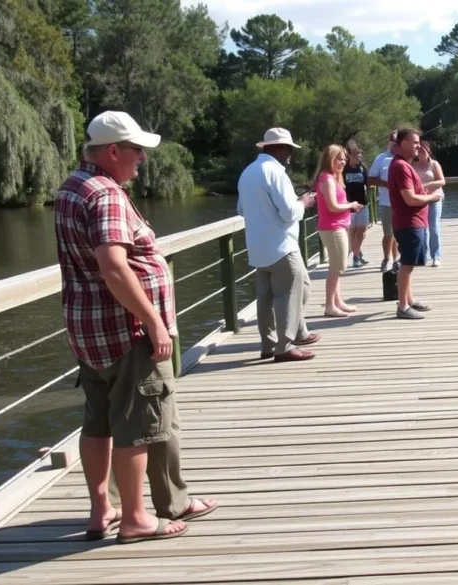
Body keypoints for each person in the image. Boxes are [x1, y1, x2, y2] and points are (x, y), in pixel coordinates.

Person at [54, 111, 217, 545]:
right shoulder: (105, 194)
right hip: (124, 330)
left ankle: (100, 509)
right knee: (138, 426)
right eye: (136, 150)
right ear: (112, 151)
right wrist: (153, 322)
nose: (142, 159)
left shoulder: (71, 187)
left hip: (87, 329)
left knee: (98, 422)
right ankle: (136, 518)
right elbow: (113, 266)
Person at [237, 128, 320, 362]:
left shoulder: (248, 172)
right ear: (280, 149)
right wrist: (303, 201)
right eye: (290, 149)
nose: (291, 154)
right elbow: (289, 212)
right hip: (282, 246)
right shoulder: (275, 172)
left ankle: (270, 344)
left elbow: (241, 209)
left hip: (257, 247)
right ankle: (285, 346)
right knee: (289, 294)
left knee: (266, 298)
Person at [387, 128, 442, 319]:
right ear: (403, 144)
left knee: (409, 263)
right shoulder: (401, 167)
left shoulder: (404, 165)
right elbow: (409, 199)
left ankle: (409, 299)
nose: (419, 146)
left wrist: (425, 195)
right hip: (408, 222)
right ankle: (402, 306)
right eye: (415, 142)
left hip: (413, 221)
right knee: (407, 264)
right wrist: (432, 197)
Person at [312, 144, 363, 316]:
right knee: (337, 266)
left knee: (338, 266)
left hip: (339, 226)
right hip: (333, 228)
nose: (342, 162)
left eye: (344, 159)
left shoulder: (335, 177)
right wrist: (351, 205)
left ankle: (338, 301)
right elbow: (333, 206)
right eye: (338, 159)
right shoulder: (326, 178)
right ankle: (329, 306)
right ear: (329, 159)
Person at [368, 131, 400, 272]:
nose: (395, 145)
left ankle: (397, 260)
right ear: (389, 143)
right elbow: (370, 180)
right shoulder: (381, 158)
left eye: (398, 143)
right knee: (388, 233)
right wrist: (386, 184)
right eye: (393, 142)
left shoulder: (405, 158)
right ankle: (386, 258)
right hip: (387, 203)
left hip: (403, 202)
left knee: (399, 233)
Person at [413, 139, 446, 267]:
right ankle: (423, 255)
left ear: (429, 151)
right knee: (422, 228)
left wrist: (427, 185)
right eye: (419, 150)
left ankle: (436, 256)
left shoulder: (434, 164)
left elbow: (442, 181)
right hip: (420, 199)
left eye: (424, 150)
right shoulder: (412, 164)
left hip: (435, 198)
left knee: (434, 227)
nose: (421, 152)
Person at [343, 143, 370, 268]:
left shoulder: (362, 168)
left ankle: (356, 254)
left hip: (362, 204)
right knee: (351, 232)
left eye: (360, 154)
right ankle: (356, 255)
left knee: (361, 232)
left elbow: (368, 183)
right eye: (357, 154)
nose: (360, 156)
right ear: (350, 156)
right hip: (348, 207)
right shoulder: (344, 170)